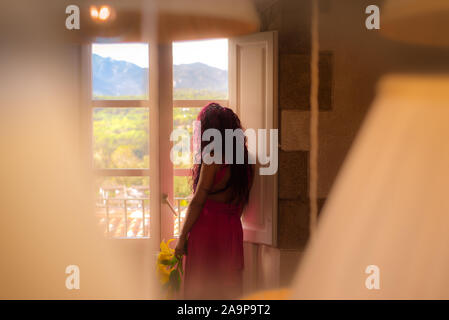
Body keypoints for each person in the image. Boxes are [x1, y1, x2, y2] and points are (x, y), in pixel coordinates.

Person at [175, 103, 254, 299]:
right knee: (227, 290)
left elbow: (198, 201)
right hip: (232, 230)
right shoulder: (245, 162)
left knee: (201, 290)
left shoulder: (212, 158)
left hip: (207, 230)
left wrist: (181, 237)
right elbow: (241, 201)